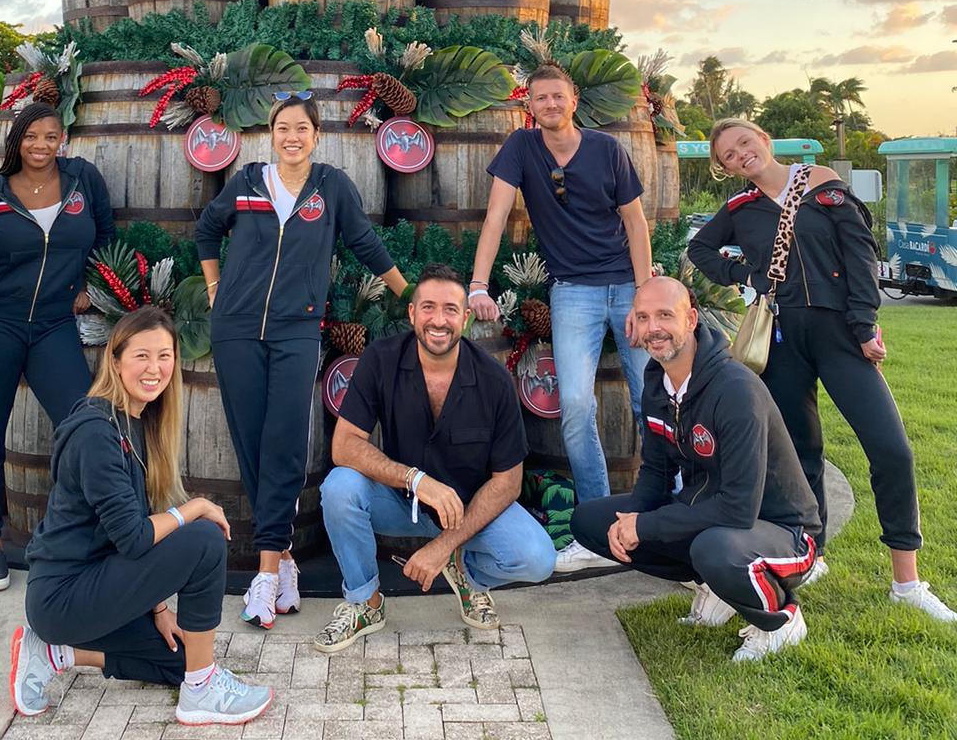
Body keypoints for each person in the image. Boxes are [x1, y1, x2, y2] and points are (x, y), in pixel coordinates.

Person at [687, 119, 955, 622]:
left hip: (840, 335)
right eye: (727, 155)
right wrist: (748, 275)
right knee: (800, 456)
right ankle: (813, 554)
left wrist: (865, 322)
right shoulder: (739, 208)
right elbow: (699, 250)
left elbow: (860, 252)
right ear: (724, 169)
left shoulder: (821, 181)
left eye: (745, 142)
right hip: (782, 339)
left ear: (764, 141)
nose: (740, 154)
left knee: (891, 449)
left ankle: (907, 581)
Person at [195, 93, 409, 631]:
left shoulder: (331, 186)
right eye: (282, 128)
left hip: (297, 331)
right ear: (271, 133)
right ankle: (283, 560)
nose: (292, 136)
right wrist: (215, 285)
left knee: (285, 441)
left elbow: (364, 242)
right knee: (251, 442)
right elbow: (205, 230)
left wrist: (410, 295)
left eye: (302, 129)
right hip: (236, 330)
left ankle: (264, 576)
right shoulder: (246, 183)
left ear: (316, 136)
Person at [12, 305, 273, 724]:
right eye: (142, 356)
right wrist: (194, 507)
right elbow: (135, 538)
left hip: (97, 586)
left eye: (165, 356)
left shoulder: (138, 424)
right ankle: (203, 691)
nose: (155, 368)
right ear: (115, 360)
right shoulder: (97, 432)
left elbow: (131, 533)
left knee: (179, 660)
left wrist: (157, 611)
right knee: (204, 536)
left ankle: (53, 653)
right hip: (63, 596)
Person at [571, 277, 823, 662]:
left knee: (714, 547)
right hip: (715, 517)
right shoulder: (657, 383)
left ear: (690, 319)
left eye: (664, 316)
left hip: (783, 531)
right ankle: (717, 589)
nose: (653, 327)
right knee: (591, 521)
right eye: (643, 317)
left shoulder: (735, 389)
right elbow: (655, 472)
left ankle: (781, 618)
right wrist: (631, 519)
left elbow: (738, 508)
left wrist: (646, 526)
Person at [313, 264, 557, 653]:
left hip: (469, 510)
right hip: (401, 500)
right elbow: (344, 445)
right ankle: (365, 603)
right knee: (339, 487)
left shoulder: (494, 381)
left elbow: (508, 482)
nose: (438, 320)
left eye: (449, 309)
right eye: (427, 308)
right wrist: (415, 479)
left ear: (465, 316)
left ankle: (466, 572)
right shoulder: (380, 360)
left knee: (537, 558)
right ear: (412, 314)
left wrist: (445, 545)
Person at [468, 62, 651, 573]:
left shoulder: (608, 150)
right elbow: (496, 217)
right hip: (572, 292)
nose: (550, 104)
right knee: (574, 405)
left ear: (574, 101)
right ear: (530, 105)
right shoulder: (521, 149)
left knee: (649, 399)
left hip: (625, 286)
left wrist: (644, 294)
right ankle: (599, 528)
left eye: (558, 96)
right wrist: (478, 285)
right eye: (540, 98)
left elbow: (635, 223)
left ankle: (671, 513)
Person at [0, 103, 115, 591]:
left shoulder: (83, 180)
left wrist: (91, 284)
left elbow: (106, 236)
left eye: (50, 137)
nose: (41, 146)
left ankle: (78, 535)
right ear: (16, 141)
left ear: (61, 138)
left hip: (53, 326)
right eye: (31, 138)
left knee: (86, 424)